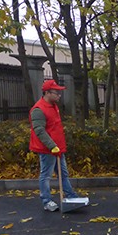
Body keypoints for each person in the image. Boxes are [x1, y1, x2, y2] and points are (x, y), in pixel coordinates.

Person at [29, 79, 80, 211]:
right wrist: (52, 146)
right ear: (47, 93)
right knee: (46, 175)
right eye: (56, 93)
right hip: (47, 149)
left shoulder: (53, 106)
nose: (59, 95)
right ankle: (47, 201)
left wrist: (57, 147)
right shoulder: (38, 109)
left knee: (63, 173)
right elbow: (39, 130)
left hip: (57, 148)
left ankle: (71, 196)